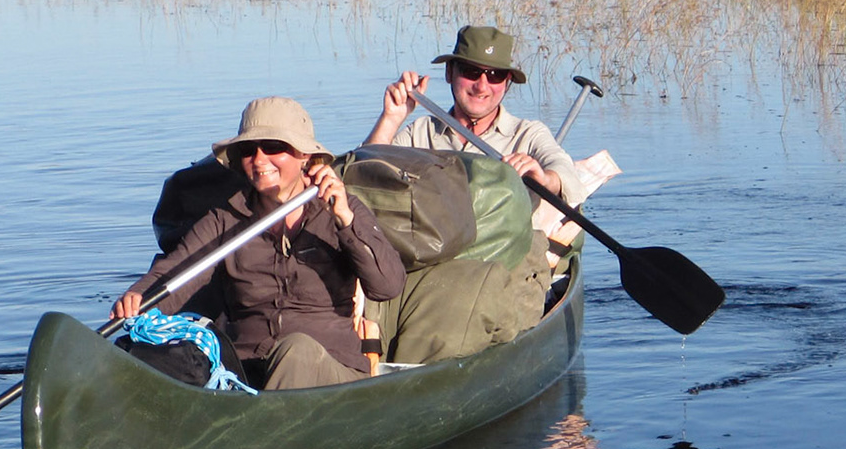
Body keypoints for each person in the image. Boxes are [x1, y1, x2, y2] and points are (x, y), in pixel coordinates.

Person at [113, 97, 405, 390]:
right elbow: (177, 269)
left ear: (305, 155)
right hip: (246, 372)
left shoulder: (342, 207)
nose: (260, 159)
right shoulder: (225, 218)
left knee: (297, 350)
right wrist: (136, 297)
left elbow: (387, 285)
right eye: (248, 150)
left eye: (274, 147)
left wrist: (345, 220)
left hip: (332, 370)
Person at [365, 25, 587, 206]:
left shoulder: (528, 134)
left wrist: (545, 180)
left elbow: (567, 174)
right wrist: (391, 118)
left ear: (507, 82)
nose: (482, 86)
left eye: (495, 76)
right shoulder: (420, 133)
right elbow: (363, 176)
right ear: (449, 72)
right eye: (471, 72)